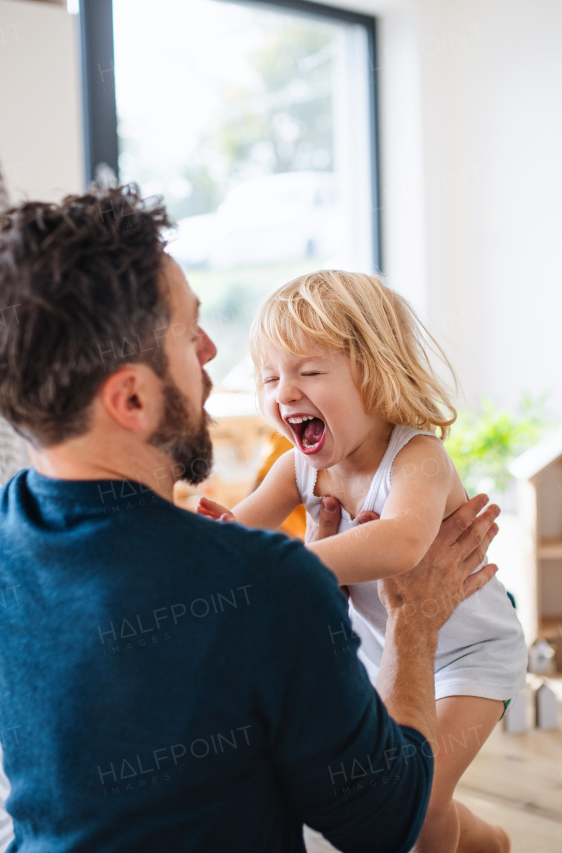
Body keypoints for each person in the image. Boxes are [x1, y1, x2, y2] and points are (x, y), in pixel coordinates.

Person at [0, 186, 503, 853]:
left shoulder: (8, 526)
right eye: (190, 334)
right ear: (131, 396)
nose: (212, 350)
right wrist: (414, 622)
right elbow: (387, 821)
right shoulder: (266, 583)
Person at [197, 270, 524, 853]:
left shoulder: (416, 456)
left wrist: (283, 567)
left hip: (472, 656)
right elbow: (244, 536)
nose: (284, 393)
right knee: (393, 796)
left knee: (419, 800)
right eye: (270, 377)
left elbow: (401, 544)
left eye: (309, 372)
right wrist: (212, 545)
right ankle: (485, 844)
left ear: (373, 374)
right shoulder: (297, 467)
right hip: (384, 653)